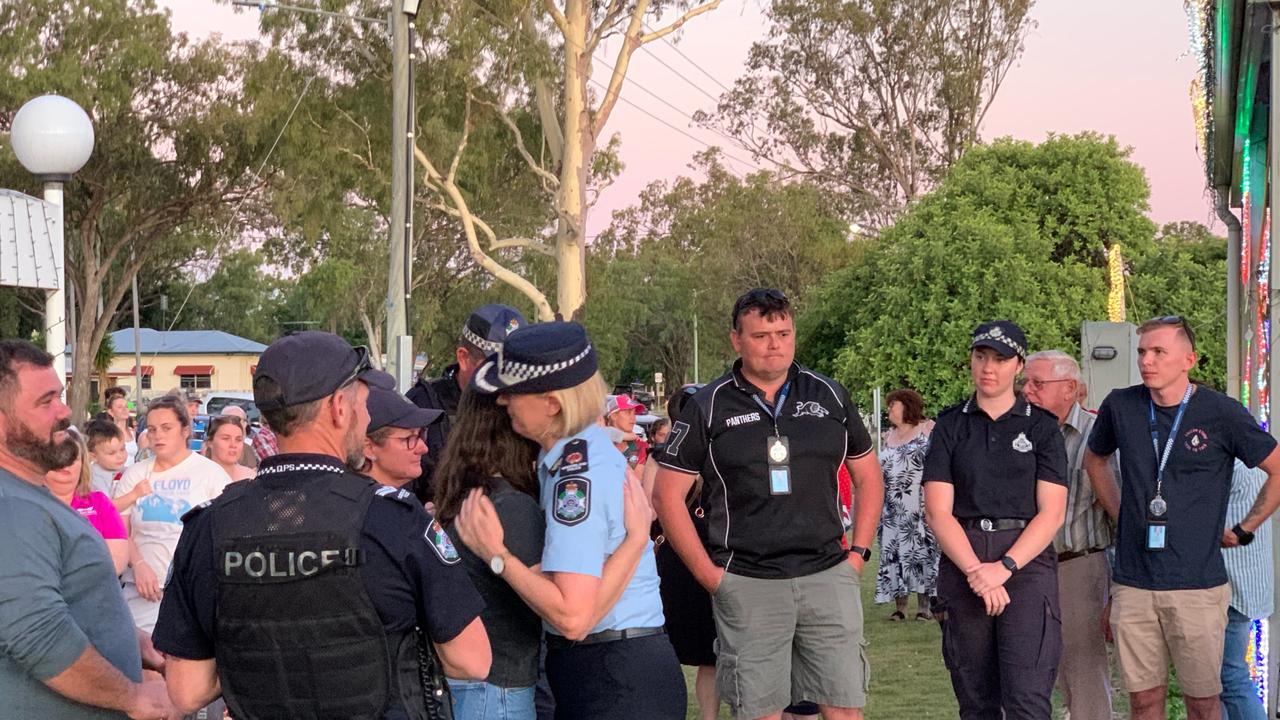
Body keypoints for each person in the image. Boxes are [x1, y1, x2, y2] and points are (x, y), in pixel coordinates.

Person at [152, 331, 491, 718]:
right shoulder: (395, 519)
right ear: (338, 408)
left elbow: (186, 689)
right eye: (361, 404)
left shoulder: (207, 526)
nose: (365, 418)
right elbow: (473, 660)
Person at [654, 288, 885, 720]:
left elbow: (868, 476)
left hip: (828, 574)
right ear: (736, 340)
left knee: (844, 707)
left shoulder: (830, 395)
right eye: (761, 335)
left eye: (784, 332)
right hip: (749, 580)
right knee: (760, 710)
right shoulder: (708, 405)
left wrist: (858, 553)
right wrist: (710, 576)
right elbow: (666, 494)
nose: (775, 343)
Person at [455, 321, 686, 719]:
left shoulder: (576, 477)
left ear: (552, 402)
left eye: (513, 392)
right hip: (616, 668)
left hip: (612, 675)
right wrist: (634, 543)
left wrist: (498, 557)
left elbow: (573, 616)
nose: (501, 402)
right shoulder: (574, 459)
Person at [1084, 316, 1280, 720]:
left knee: (1205, 702)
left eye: (1158, 352)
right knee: (1143, 700)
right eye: (1142, 352)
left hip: (1198, 585)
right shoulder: (1121, 405)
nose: (1146, 361)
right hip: (1134, 582)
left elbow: (1277, 468)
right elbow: (1095, 460)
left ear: (1188, 359)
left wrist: (1246, 529)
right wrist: (1123, 514)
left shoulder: (1220, 412)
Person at [0, 340, 177, 719]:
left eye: (60, 397)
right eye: (46, 401)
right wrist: (131, 696)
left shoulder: (29, 496)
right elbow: (37, 634)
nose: (65, 412)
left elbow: (67, 601)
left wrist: (131, 643)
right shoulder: (9, 504)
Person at [922, 320, 1068, 720]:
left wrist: (1004, 567)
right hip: (964, 560)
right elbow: (938, 510)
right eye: (981, 356)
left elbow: (1052, 512)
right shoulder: (951, 424)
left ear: (1018, 365)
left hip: (1025, 563)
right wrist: (976, 571)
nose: (989, 367)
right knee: (976, 703)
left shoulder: (1041, 427)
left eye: (1000, 359)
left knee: (1028, 702)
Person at [434, 388, 545, 719]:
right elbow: (554, 605)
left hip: (472, 684)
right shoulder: (511, 506)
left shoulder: (468, 495)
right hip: (499, 688)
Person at [1021, 350, 1117, 720]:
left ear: (1070, 389)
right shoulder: (1019, 434)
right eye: (1025, 383)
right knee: (1026, 672)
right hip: (1023, 567)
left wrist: (1120, 587)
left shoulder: (1099, 437)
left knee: (1083, 673)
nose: (1027, 391)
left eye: (1038, 384)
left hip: (1078, 566)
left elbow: (1120, 512)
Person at [113, 395, 230, 634]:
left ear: (185, 430)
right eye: (153, 429)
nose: (158, 435)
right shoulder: (135, 474)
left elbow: (226, 533)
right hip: (143, 589)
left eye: (167, 428)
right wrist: (140, 565)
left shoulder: (210, 474)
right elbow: (119, 528)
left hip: (192, 590)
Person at [407, 304, 527, 502]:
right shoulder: (423, 406)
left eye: (516, 368)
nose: (506, 378)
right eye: (495, 367)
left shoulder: (525, 408)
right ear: (463, 358)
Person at [651, 385, 720, 720]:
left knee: (693, 648)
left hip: (685, 557)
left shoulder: (664, 456)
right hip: (701, 555)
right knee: (704, 651)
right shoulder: (673, 457)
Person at [875, 387, 939, 621]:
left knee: (922, 554)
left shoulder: (928, 429)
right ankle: (900, 606)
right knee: (894, 554)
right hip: (892, 508)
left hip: (919, 506)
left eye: (894, 405)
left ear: (907, 406)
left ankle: (925, 607)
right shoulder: (888, 436)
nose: (889, 409)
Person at [1221, 461, 1272, 720]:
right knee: (1226, 677)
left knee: (1227, 677)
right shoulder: (1259, 449)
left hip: (1230, 583)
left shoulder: (1230, 460)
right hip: (1248, 581)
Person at [45, 432, 130, 575]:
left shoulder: (99, 503)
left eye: (72, 458)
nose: (65, 466)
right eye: (57, 458)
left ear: (82, 462)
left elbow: (118, 559)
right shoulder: (27, 502)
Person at [362, 370, 444, 488]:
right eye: (409, 438)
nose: (424, 448)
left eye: (421, 434)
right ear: (368, 447)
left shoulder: (416, 495)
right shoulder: (346, 504)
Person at [203, 415, 255, 482]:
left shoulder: (250, 477)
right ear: (210, 442)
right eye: (226, 438)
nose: (233, 445)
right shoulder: (198, 477)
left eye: (238, 440)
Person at [85, 417, 129, 495]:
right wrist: (134, 494)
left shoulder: (123, 470)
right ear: (94, 456)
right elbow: (106, 505)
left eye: (122, 449)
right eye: (112, 453)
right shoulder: (95, 479)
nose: (120, 456)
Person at [605, 394, 649, 470]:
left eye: (634, 413)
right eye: (628, 412)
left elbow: (638, 477)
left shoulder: (641, 445)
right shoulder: (598, 442)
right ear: (613, 416)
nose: (633, 418)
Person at [104, 387, 138, 464]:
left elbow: (133, 409)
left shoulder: (132, 432)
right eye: (119, 407)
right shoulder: (108, 433)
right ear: (111, 412)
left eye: (126, 406)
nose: (124, 409)